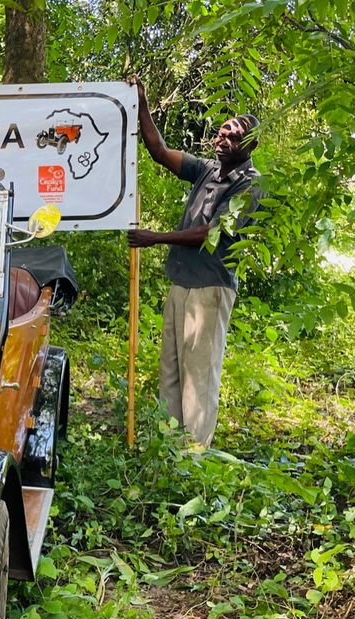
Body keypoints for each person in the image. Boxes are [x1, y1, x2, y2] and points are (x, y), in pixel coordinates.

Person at [125, 76, 262, 448]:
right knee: (170, 370)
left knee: (198, 377)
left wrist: (155, 238)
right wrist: (142, 102)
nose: (221, 139)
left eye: (231, 136)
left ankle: (194, 456)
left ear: (248, 144)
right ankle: (169, 451)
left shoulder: (250, 185)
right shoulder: (208, 169)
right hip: (181, 282)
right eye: (221, 132)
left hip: (210, 287)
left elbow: (212, 233)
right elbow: (158, 151)